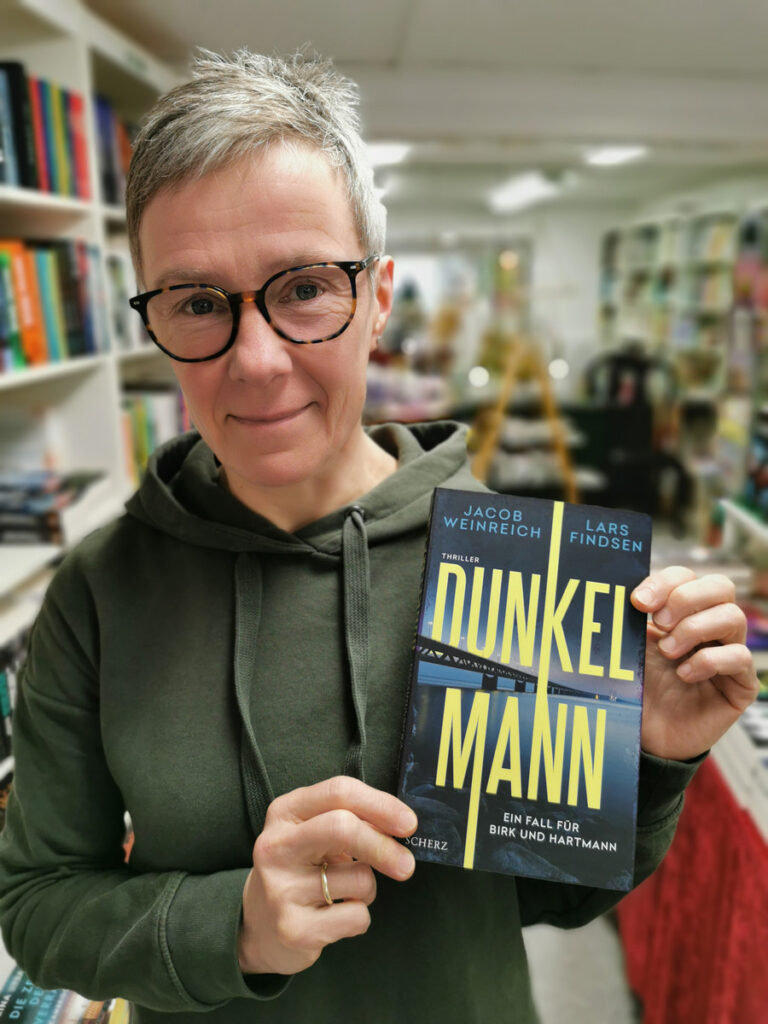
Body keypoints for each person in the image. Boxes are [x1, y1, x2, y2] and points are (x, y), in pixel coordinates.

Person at [0, 49, 758, 1024]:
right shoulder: (100, 592)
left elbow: (551, 899)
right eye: (196, 303)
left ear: (380, 298)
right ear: (152, 316)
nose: (257, 361)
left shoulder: (514, 566)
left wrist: (647, 764)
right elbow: (39, 904)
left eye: (304, 288)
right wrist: (235, 925)